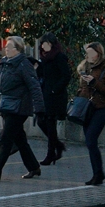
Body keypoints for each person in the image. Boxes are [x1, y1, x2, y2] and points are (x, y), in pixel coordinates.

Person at [0, 36, 46, 181]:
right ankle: (33, 167)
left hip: (19, 107)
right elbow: (0, 87)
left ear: (17, 49)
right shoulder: (5, 63)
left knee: (6, 139)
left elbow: (34, 86)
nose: (6, 49)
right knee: (20, 140)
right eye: (6, 47)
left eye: (9, 47)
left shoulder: (24, 64)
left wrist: (39, 108)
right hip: (7, 106)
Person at [76, 41, 105, 186]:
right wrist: (80, 93)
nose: (87, 55)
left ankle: (98, 174)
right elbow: (82, 87)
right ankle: (97, 173)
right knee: (89, 142)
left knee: (91, 140)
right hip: (86, 109)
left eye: (90, 53)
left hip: (100, 109)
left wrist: (94, 82)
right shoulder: (85, 67)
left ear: (98, 54)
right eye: (86, 52)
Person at [35, 32, 70, 165]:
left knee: (50, 123)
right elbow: (41, 75)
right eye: (42, 44)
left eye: (46, 44)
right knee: (41, 121)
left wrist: (55, 89)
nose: (44, 46)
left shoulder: (59, 58)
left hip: (55, 96)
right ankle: (57, 145)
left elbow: (66, 76)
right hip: (45, 94)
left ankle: (51, 153)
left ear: (52, 44)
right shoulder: (43, 58)